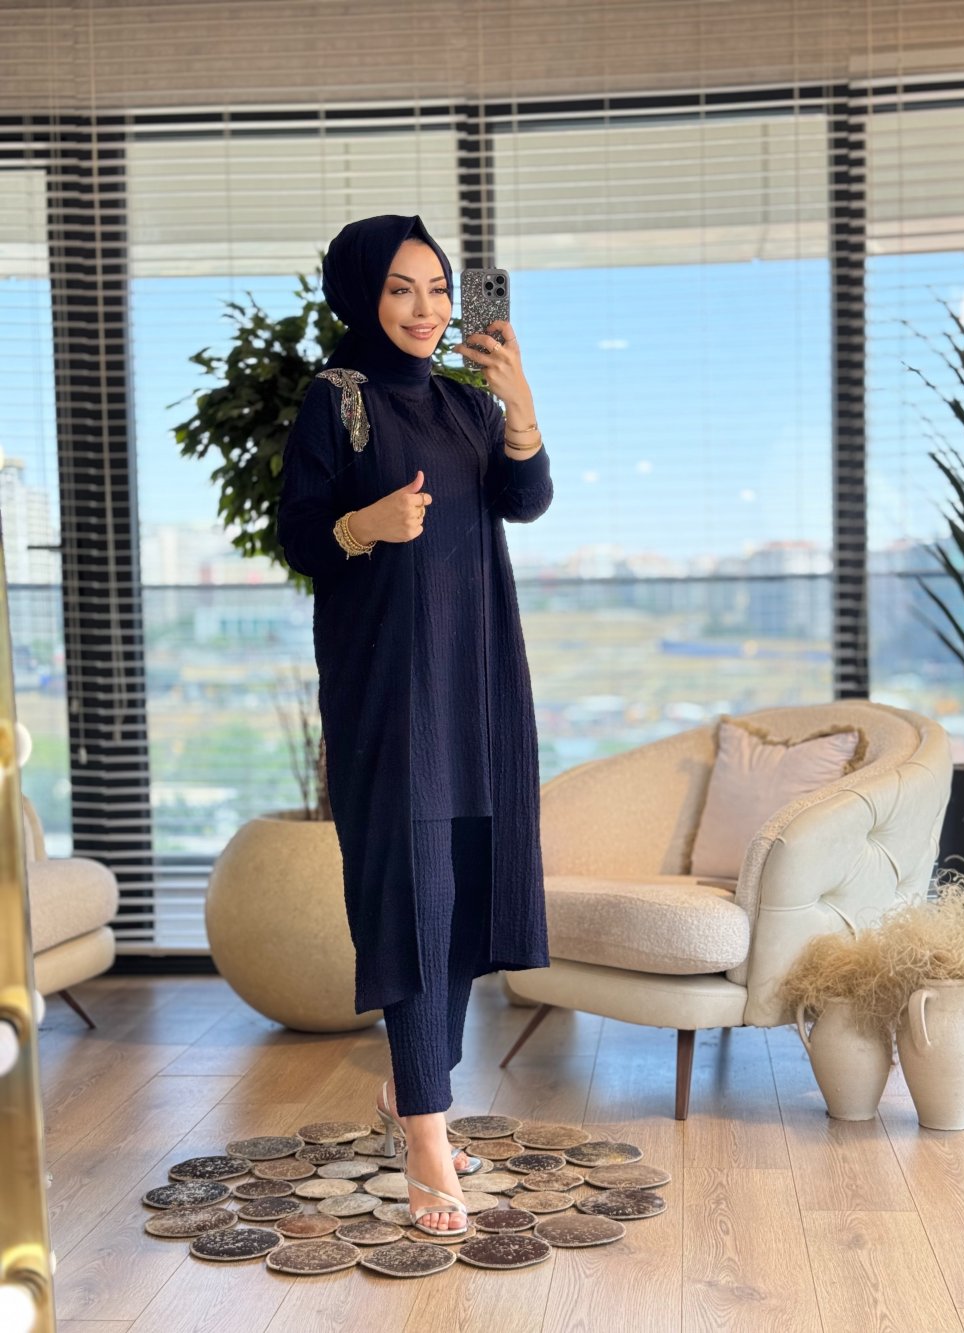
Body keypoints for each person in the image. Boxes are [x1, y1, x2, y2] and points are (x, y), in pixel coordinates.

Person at [276, 213, 553, 1235]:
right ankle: (430, 1134)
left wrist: (519, 403)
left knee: (466, 886)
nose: (427, 308)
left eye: (438, 289)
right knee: (413, 892)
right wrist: (365, 524)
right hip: (387, 683)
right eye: (402, 288)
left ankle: (410, 1092)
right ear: (362, 294)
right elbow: (297, 533)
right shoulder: (336, 398)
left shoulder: (468, 405)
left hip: (478, 675)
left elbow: (525, 499)